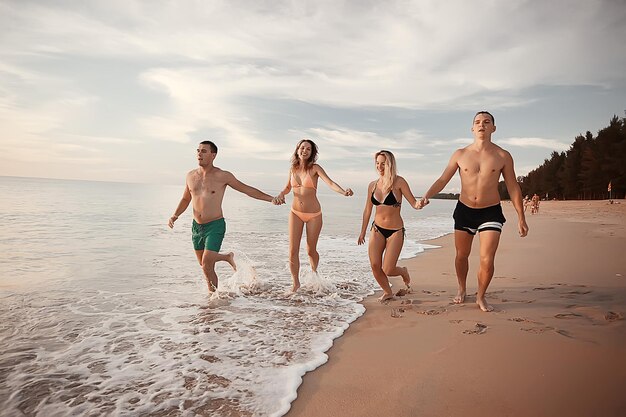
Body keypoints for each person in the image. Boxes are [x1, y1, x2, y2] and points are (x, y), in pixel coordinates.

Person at [418, 111, 528, 312]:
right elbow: (443, 179)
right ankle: (461, 288)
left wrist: (521, 216)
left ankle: (481, 295)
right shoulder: (460, 154)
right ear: (472, 128)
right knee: (462, 255)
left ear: (493, 128)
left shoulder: (503, 156)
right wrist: (426, 196)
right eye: (477, 122)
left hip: (491, 212)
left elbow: (512, 187)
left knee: (487, 258)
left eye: (487, 122)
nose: (482, 125)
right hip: (464, 210)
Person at [168, 140, 282, 293]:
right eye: (198, 150)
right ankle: (227, 257)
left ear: (213, 155)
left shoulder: (223, 176)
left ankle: (213, 299)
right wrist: (175, 215)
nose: (199, 154)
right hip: (196, 227)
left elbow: (246, 189)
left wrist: (271, 199)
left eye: (203, 151)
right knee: (204, 266)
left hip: (215, 225)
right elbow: (186, 199)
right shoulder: (190, 176)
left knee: (207, 263)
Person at [276, 139, 354, 292]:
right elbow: (287, 187)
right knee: (292, 250)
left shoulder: (315, 168)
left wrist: (344, 192)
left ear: (312, 153)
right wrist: (281, 194)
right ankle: (295, 283)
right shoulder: (292, 168)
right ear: (297, 150)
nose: (305, 151)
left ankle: (314, 272)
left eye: (308, 149)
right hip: (295, 212)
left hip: (313, 215)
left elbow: (330, 183)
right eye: (302, 147)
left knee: (311, 250)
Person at [358, 150, 422, 302]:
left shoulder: (399, 182)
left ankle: (403, 271)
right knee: (374, 265)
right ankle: (388, 292)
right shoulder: (372, 185)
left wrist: (420, 204)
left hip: (395, 231)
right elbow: (368, 210)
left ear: (390, 164)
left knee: (388, 269)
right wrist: (362, 232)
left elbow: (414, 203)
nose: (379, 167)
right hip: (377, 229)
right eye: (377, 163)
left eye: (383, 163)